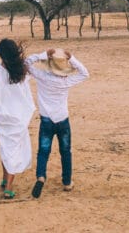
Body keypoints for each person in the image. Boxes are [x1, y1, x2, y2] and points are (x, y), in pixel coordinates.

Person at [25, 48, 89, 198]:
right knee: (65, 151)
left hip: (46, 120)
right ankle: (67, 182)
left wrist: (42, 54)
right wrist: (71, 57)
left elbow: (26, 63)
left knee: (43, 151)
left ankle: (41, 176)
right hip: (62, 119)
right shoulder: (66, 80)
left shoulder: (42, 76)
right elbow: (85, 73)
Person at [0, 39, 35, 199]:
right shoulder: (22, 70)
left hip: (3, 116)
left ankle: (6, 179)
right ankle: (9, 186)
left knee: (6, 147)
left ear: (0, 54)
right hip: (19, 116)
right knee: (13, 149)